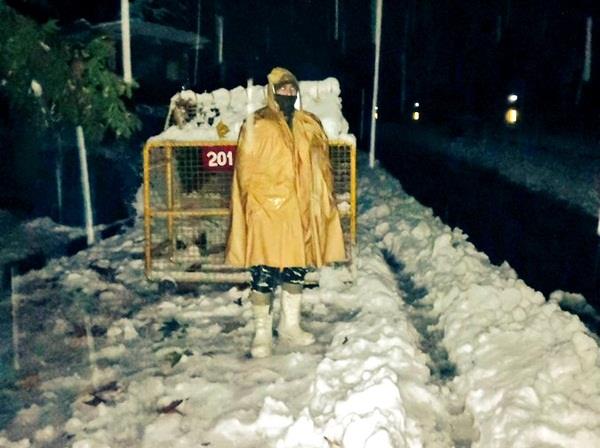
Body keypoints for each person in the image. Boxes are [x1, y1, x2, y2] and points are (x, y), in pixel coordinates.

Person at [226, 67, 346, 358]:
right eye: (282, 89)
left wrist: (320, 199)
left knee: (295, 269)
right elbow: (246, 170)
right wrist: (260, 202)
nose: (288, 94)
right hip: (266, 211)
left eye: (292, 90)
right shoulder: (258, 123)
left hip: (300, 211)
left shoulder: (308, 123)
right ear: (272, 92)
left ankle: (290, 326)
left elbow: (322, 166)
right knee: (263, 272)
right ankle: (261, 333)